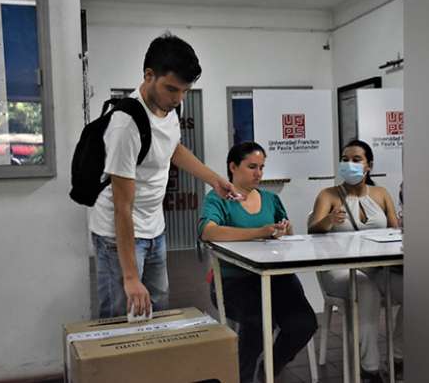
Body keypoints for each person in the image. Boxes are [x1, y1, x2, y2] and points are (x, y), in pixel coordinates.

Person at [89, 33, 238, 319]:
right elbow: (122, 207)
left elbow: (173, 148)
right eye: (172, 89)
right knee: (122, 315)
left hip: (154, 228)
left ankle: (154, 364)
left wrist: (213, 179)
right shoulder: (126, 126)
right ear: (148, 75)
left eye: (184, 90)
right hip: (117, 234)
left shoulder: (167, 107)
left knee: (157, 308)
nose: (179, 98)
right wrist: (130, 277)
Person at [199, 141, 318, 383]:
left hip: (275, 277)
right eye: (252, 166)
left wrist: (283, 230)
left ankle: (271, 367)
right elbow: (208, 232)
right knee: (257, 323)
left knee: (304, 323)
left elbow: (288, 233)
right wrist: (259, 232)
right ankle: (243, 378)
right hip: (235, 281)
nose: (259, 173)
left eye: (262, 167)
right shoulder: (219, 199)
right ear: (233, 166)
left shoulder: (270, 199)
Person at [308, 139, 403, 383]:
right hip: (340, 271)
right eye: (345, 159)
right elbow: (313, 230)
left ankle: (398, 357)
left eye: (356, 159)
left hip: (377, 268)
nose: (349, 164)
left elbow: (395, 228)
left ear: (368, 166)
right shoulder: (328, 195)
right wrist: (329, 220)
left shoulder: (381, 194)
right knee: (366, 289)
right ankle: (369, 368)